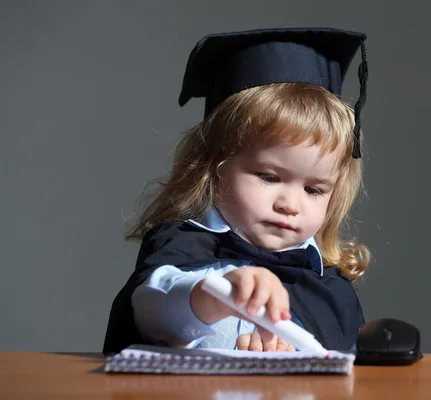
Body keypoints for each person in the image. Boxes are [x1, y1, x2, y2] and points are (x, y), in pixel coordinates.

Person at [102, 27, 372, 355]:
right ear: (213, 168)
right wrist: (213, 294)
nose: (290, 204)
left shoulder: (332, 293)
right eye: (269, 177)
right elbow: (152, 309)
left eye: (313, 189)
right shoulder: (180, 249)